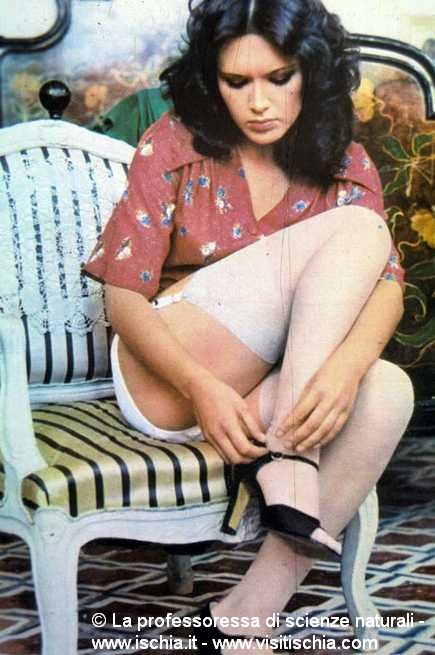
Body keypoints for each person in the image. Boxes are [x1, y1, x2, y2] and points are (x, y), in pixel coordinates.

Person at [84, 0, 414, 651]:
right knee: (360, 228)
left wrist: (346, 371)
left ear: (311, 72)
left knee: (388, 391)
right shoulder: (175, 142)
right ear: (213, 80)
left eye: (278, 78)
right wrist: (201, 387)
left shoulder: (343, 160)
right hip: (169, 376)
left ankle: (245, 617)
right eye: (237, 82)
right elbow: (122, 298)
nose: (258, 102)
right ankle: (289, 462)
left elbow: (387, 289)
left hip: (263, 397)